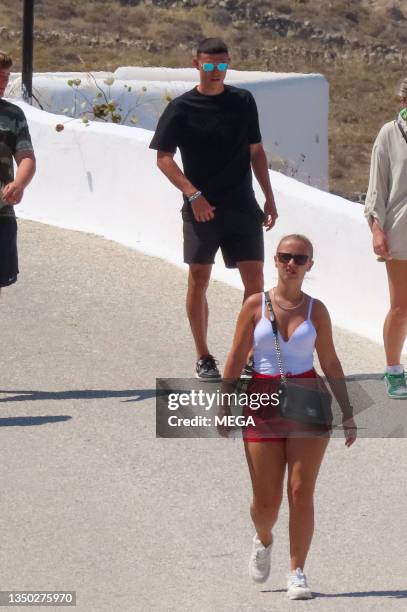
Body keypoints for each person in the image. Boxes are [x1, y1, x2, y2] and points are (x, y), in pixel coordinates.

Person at [222, 234, 356, 600]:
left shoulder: (317, 310)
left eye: (299, 258)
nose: (291, 263)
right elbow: (235, 357)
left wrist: (347, 410)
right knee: (266, 504)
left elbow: (329, 362)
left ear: (309, 264)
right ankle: (263, 539)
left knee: (300, 491)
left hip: (308, 401)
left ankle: (297, 571)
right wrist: (224, 406)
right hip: (261, 403)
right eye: (284, 256)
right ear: (275, 260)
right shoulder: (255, 305)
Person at [149, 38, 278, 380]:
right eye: (209, 65)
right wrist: (193, 194)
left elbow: (257, 151)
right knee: (198, 280)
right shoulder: (181, 108)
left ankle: (249, 353)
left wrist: (269, 195)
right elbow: (163, 158)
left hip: (242, 206)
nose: (216, 71)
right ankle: (204, 355)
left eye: (222, 65)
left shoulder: (242, 101)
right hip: (201, 210)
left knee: (256, 283)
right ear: (196, 64)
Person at [364, 76, 407, 398]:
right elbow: (376, 187)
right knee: (401, 307)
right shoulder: (390, 134)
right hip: (400, 230)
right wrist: (376, 227)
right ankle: (393, 370)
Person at [0, 50, 36, 295]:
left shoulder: (13, 115)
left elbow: (26, 158)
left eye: (6, 77)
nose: (3, 83)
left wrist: (19, 183)